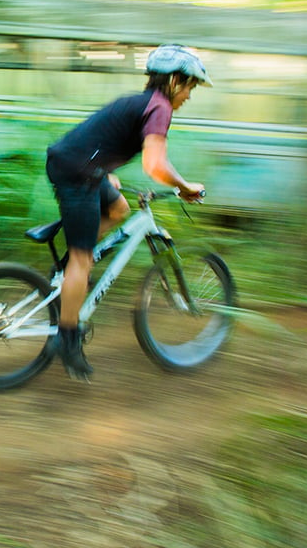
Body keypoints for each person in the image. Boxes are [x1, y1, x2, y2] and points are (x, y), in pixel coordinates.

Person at [45, 44, 211, 380]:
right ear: (176, 80)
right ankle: (67, 336)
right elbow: (154, 164)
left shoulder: (141, 102)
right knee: (82, 260)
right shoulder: (160, 107)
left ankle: (72, 268)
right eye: (190, 86)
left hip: (81, 166)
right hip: (77, 175)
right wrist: (184, 186)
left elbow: (99, 136)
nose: (189, 95)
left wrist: (105, 169)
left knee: (119, 207)